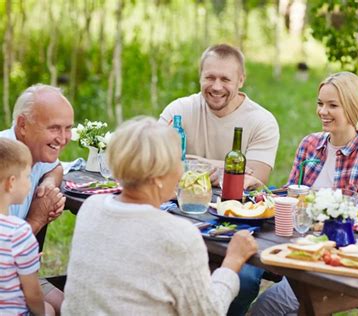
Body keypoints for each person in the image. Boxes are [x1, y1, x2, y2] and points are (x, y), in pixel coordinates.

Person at [61, 116, 258, 315]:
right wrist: (232, 262)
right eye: (178, 162)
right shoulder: (178, 235)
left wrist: (160, 195)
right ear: (159, 177)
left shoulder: (92, 207)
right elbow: (209, 312)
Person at [249, 72, 358, 315]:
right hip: (293, 245)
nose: (323, 111)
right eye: (320, 103)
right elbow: (291, 197)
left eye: (333, 105)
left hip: (331, 261)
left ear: (353, 108)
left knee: (264, 310)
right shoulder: (310, 144)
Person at [158, 43, 280, 189]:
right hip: (180, 201)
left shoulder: (262, 121)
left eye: (225, 79)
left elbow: (256, 176)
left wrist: (192, 163)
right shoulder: (178, 110)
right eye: (210, 78)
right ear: (200, 77)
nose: (216, 87)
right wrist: (229, 168)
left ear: (241, 80)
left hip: (235, 206)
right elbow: (154, 159)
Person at [0, 84, 75, 314]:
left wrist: (49, 182)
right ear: (23, 125)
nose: (63, 139)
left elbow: (57, 166)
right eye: (54, 128)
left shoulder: (36, 149)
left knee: (74, 308)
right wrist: (36, 219)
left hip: (21, 273)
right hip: (8, 282)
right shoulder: (4, 163)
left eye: (68, 129)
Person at [0, 138, 54, 315]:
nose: (31, 183)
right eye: (28, 176)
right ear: (11, 182)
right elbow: (33, 294)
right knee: (49, 310)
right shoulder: (18, 233)